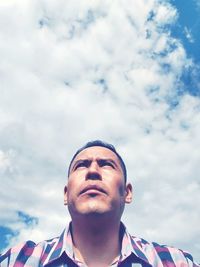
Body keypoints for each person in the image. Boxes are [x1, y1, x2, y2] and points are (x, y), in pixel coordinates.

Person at [0, 140, 199, 267]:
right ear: (66, 194)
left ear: (127, 193)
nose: (92, 171)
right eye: (81, 165)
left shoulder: (175, 262)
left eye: (106, 164)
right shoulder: (17, 260)